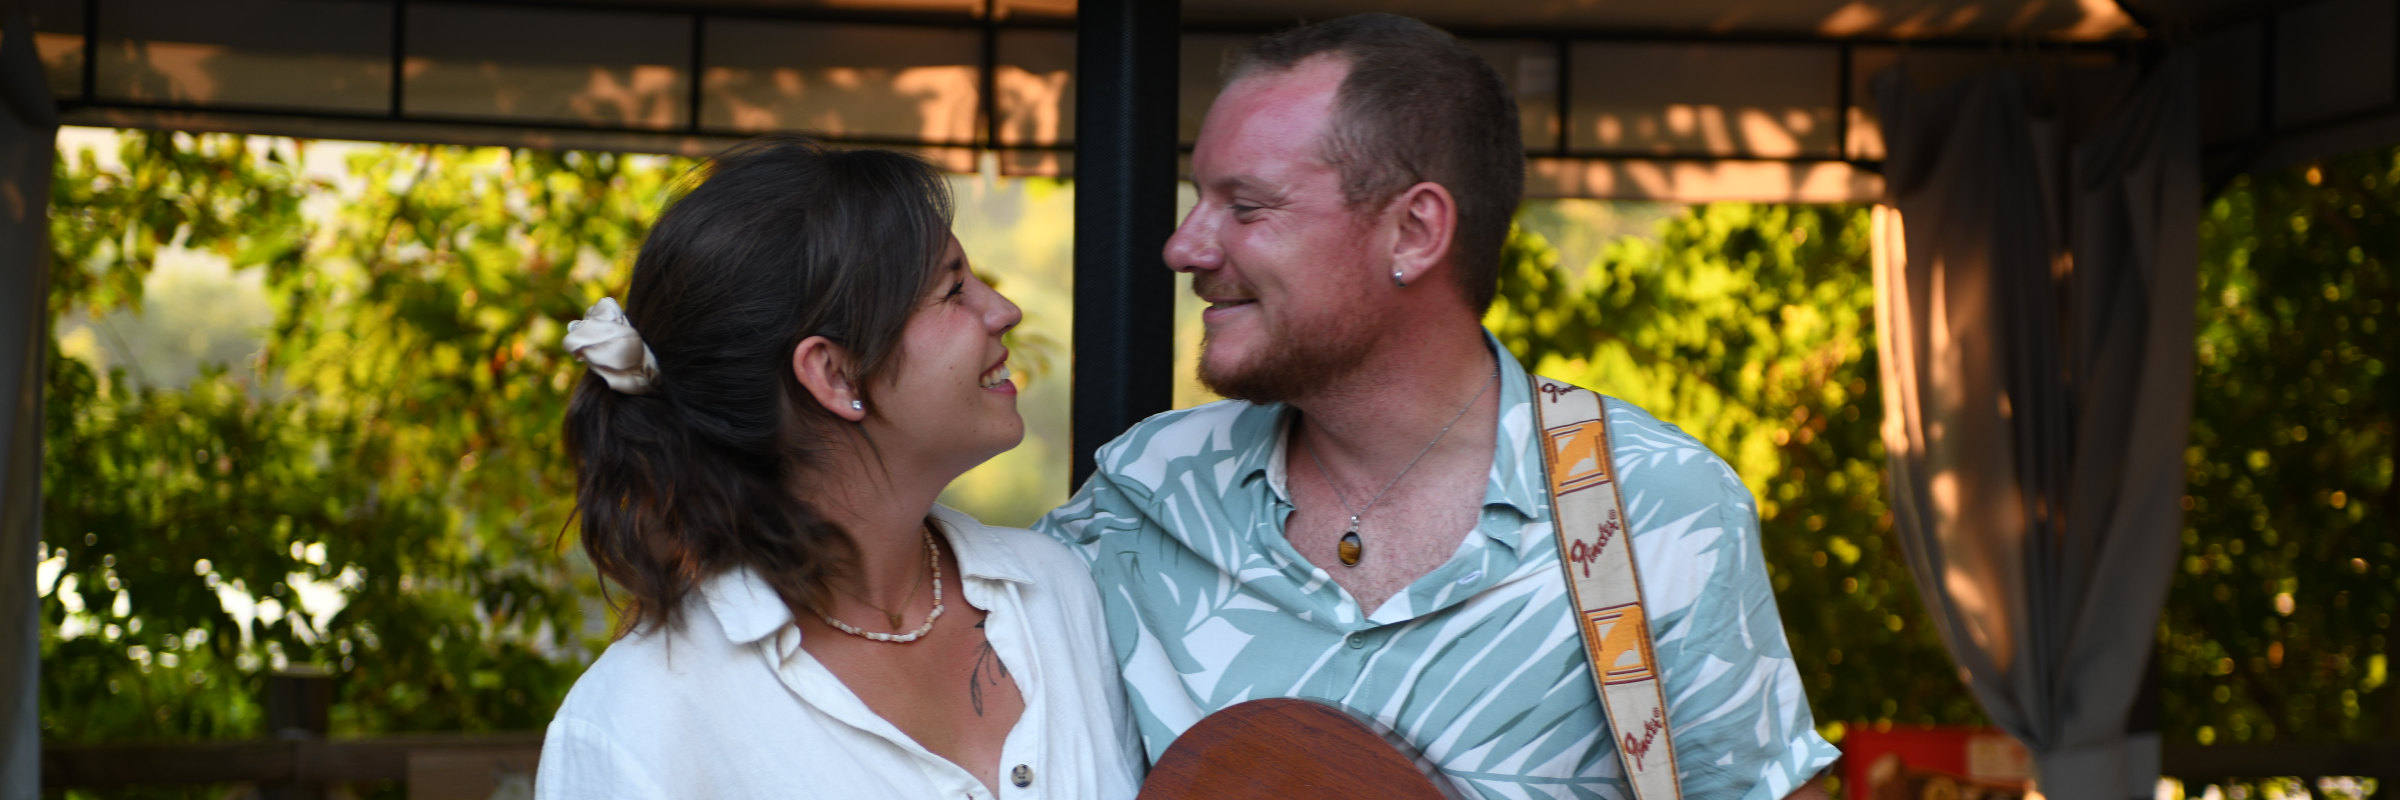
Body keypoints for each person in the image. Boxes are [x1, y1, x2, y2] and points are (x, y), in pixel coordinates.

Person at [1034, 14, 1840, 800]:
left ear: (1415, 231)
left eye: (1246, 208)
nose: (1185, 247)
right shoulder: (1141, 492)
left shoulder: (1654, 507)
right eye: (1196, 198)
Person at [536, 137, 1142, 800]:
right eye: (952, 289)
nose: (1003, 311)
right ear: (833, 373)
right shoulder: (639, 723)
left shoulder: (1055, 592)